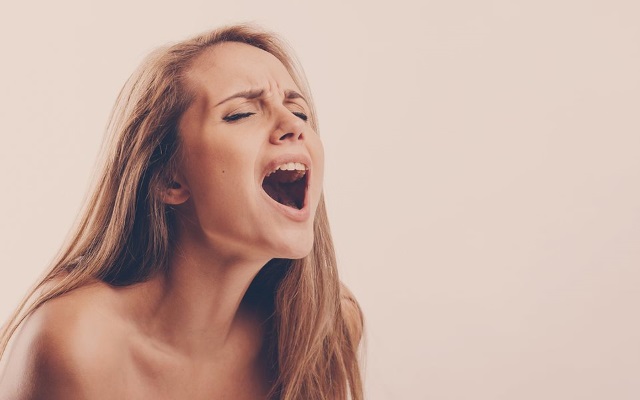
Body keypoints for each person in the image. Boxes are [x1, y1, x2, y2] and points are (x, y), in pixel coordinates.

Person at [0, 24, 364, 400]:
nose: (292, 126)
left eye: (299, 112)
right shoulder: (77, 344)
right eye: (241, 114)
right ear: (169, 180)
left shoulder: (324, 328)